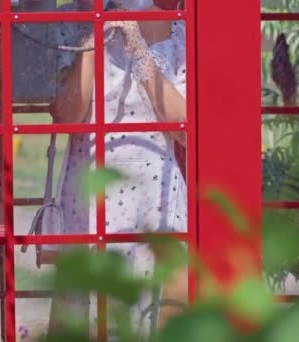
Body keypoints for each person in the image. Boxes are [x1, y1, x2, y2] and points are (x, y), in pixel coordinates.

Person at [46, 0, 188, 337]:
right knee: (83, 314)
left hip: (155, 196)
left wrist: (137, 45)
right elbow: (68, 117)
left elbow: (182, 126)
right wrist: (94, 36)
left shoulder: (177, 30)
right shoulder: (67, 24)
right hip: (90, 197)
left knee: (158, 314)